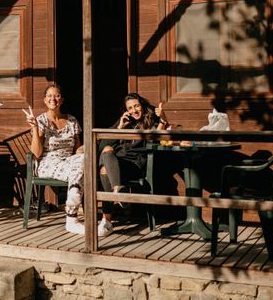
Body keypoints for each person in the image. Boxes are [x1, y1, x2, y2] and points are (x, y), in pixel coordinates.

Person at [97, 93, 170, 236]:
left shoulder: (151, 122)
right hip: (118, 163)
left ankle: (106, 220)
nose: (134, 111)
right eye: (130, 108)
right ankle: (118, 190)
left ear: (142, 106)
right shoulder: (125, 122)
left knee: (104, 171)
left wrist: (163, 119)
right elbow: (102, 147)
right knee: (106, 151)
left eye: (136, 106)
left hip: (135, 165)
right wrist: (119, 129)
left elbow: (157, 137)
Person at [23, 84, 88, 234]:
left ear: (62, 100)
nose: (53, 99)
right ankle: (72, 215)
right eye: (50, 96)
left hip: (69, 161)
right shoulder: (41, 121)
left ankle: (72, 211)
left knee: (84, 161)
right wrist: (34, 129)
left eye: (57, 95)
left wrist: (85, 151)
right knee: (80, 171)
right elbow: (37, 153)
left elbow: (77, 148)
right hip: (47, 163)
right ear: (45, 100)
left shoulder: (72, 120)